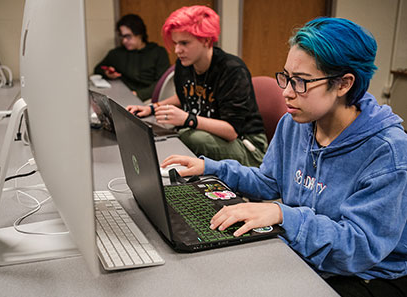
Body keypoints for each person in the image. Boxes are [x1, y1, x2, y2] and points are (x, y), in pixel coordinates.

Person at [161, 17, 407, 297]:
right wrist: (209, 167)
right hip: (308, 254)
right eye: (286, 77)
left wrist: (283, 215)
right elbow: (268, 181)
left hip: (368, 275)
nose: (287, 92)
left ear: (343, 84)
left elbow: (360, 248)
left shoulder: (387, 150)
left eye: (301, 82)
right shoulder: (296, 123)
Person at [126, 6, 267, 167]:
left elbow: (231, 131)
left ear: (206, 40)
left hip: (247, 146)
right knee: (182, 135)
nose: (178, 50)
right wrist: (152, 108)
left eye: (184, 43)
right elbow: (185, 96)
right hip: (209, 134)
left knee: (190, 136)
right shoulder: (184, 64)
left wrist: (188, 119)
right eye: (175, 43)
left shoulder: (232, 70)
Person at [94, 14, 170, 101]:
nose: (124, 41)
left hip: (150, 98)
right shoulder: (116, 54)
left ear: (140, 34)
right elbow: (97, 69)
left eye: (128, 36)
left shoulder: (158, 52)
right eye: (122, 37)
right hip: (123, 97)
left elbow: (162, 83)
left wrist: (138, 94)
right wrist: (107, 73)